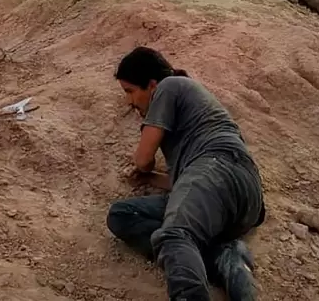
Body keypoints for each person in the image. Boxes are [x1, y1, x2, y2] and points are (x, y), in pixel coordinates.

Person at [107, 47, 265, 301]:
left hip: (218, 170)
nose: (129, 102)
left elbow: (143, 159)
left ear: (152, 85)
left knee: (175, 234)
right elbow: (189, 186)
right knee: (122, 215)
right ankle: (223, 257)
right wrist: (151, 178)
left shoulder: (169, 86)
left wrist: (143, 167)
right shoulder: (188, 113)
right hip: (239, 201)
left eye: (130, 91)